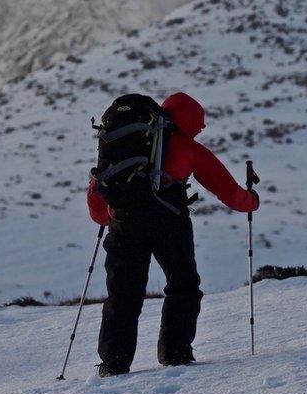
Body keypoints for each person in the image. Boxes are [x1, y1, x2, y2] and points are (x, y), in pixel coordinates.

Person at [86, 92, 259, 376]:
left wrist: (109, 216)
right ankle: (175, 353)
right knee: (183, 284)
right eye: (199, 124)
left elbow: (96, 193)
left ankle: (113, 363)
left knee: (123, 293)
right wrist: (252, 201)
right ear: (188, 120)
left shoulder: (122, 145)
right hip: (168, 221)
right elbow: (228, 191)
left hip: (123, 224)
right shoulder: (187, 148)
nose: (201, 129)